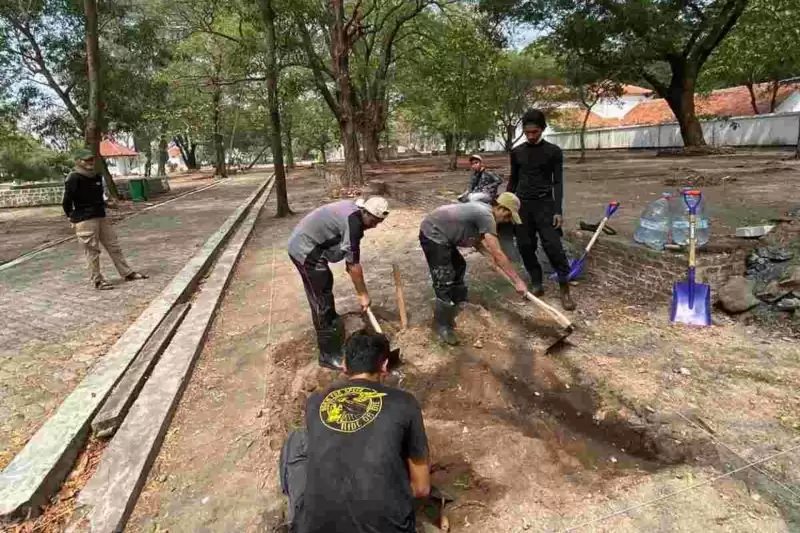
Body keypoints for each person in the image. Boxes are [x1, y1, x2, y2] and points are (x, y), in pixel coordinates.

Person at [279, 330, 430, 533]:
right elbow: (421, 489)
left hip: (316, 527)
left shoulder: (315, 401)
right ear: (385, 365)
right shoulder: (405, 403)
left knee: (297, 440)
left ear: (344, 365)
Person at [288, 196, 389, 370]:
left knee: (324, 287)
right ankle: (327, 356)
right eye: (374, 221)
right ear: (365, 212)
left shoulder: (356, 214)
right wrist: (363, 295)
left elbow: (349, 259)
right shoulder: (354, 222)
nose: (374, 226)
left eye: (379, 223)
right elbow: (353, 266)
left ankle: (331, 326)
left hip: (311, 244)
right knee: (321, 299)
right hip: (305, 249)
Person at [419, 192, 528, 345]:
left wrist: (491, 260)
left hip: (443, 232)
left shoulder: (484, 211)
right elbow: (498, 252)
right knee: (444, 278)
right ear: (502, 208)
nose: (507, 221)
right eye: (508, 216)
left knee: (459, 266)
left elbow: (477, 241)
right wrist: (517, 281)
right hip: (433, 233)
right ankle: (441, 325)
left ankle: (459, 302)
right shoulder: (487, 216)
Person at [507, 109, 576, 311]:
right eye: (527, 132)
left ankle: (564, 288)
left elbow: (558, 183)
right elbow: (513, 180)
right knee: (525, 246)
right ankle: (536, 282)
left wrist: (558, 210)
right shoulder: (517, 152)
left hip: (545, 205)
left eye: (535, 132)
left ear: (543, 129)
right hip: (522, 206)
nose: (530, 136)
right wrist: (506, 204)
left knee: (553, 246)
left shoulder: (553, 152)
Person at [62, 148, 148, 290]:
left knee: (114, 246)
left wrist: (108, 204)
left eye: (92, 159)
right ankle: (97, 280)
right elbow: (67, 201)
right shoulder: (74, 178)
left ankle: (127, 273)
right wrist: (71, 217)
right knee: (92, 251)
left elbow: (97, 198)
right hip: (84, 219)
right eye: (86, 160)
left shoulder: (96, 176)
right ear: (78, 161)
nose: (90, 162)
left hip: (100, 216)